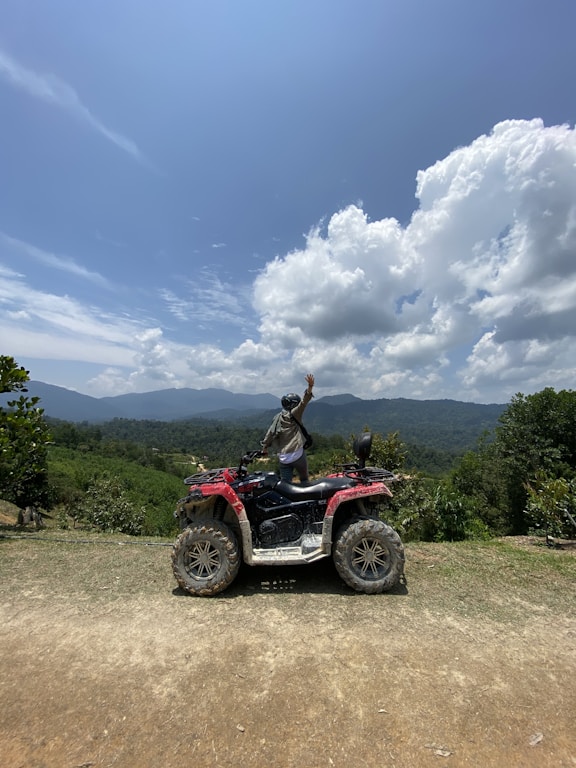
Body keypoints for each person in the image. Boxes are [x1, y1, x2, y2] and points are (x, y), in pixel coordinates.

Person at [261, 373, 315, 483]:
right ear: (294, 404)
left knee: (286, 484)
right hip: (297, 454)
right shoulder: (295, 413)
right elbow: (304, 402)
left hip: (283, 457)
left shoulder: (277, 418)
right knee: (304, 479)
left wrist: (265, 448)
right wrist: (310, 387)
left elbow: (270, 433)